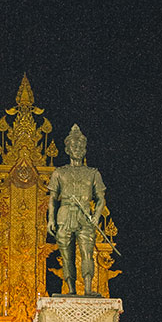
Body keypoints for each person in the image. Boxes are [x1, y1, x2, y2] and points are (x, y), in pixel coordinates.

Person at [47, 124, 106, 296]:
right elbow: (52, 198)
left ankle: (88, 288)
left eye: (81, 146)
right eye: (74, 146)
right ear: (67, 149)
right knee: (66, 255)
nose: (78, 149)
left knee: (87, 252)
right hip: (65, 214)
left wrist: (96, 216)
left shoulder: (93, 173)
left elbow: (101, 198)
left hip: (85, 215)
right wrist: (50, 219)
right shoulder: (59, 173)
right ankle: (71, 289)